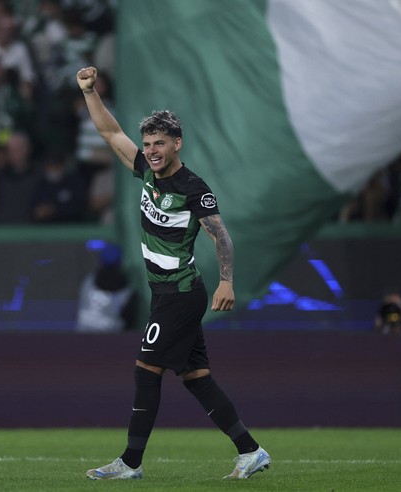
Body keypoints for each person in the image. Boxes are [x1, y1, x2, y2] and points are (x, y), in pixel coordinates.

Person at [75, 66, 270, 481]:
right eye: (147, 143)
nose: (151, 150)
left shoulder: (192, 187)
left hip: (181, 293)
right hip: (164, 293)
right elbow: (111, 133)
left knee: (146, 368)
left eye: (159, 142)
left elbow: (220, 235)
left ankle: (130, 463)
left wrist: (228, 281)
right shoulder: (145, 169)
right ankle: (250, 451)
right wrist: (90, 92)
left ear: (177, 143)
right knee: (197, 377)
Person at [75, 243, 136, 333]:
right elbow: (129, 320)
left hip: (82, 332)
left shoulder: (89, 280)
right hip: (109, 337)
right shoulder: (126, 290)